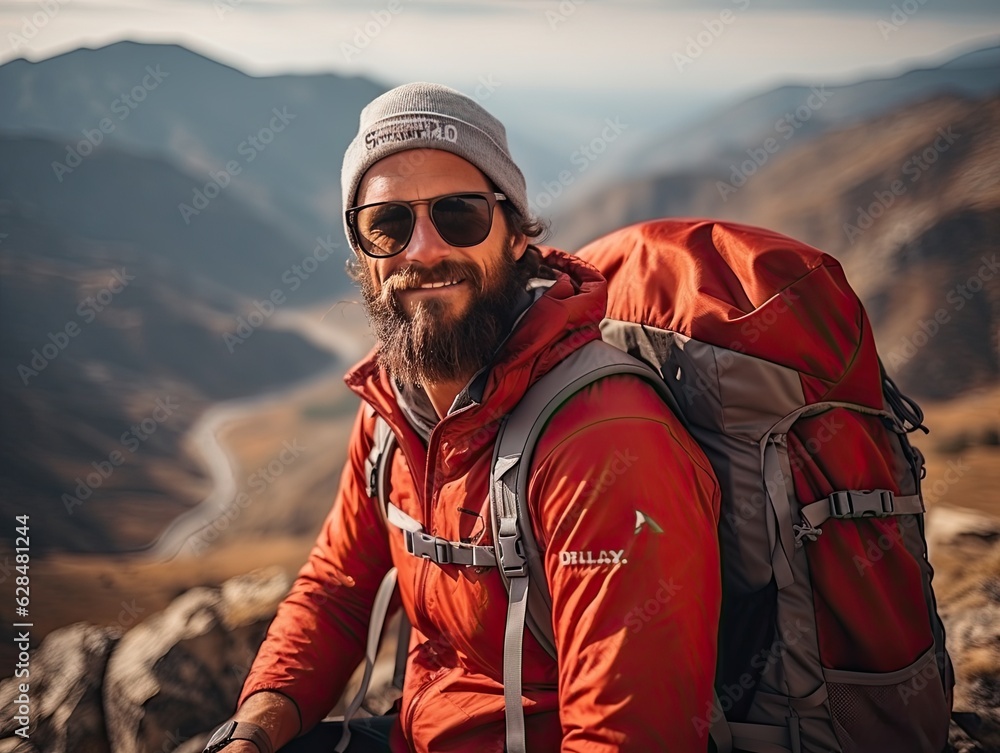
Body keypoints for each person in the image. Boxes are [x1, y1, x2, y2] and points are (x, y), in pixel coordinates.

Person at [204, 83, 722, 753]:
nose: (422, 250)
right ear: (362, 253)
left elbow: (627, 737)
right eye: (387, 224)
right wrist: (253, 731)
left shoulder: (606, 446)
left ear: (514, 237)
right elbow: (336, 592)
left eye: (459, 215)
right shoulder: (395, 412)